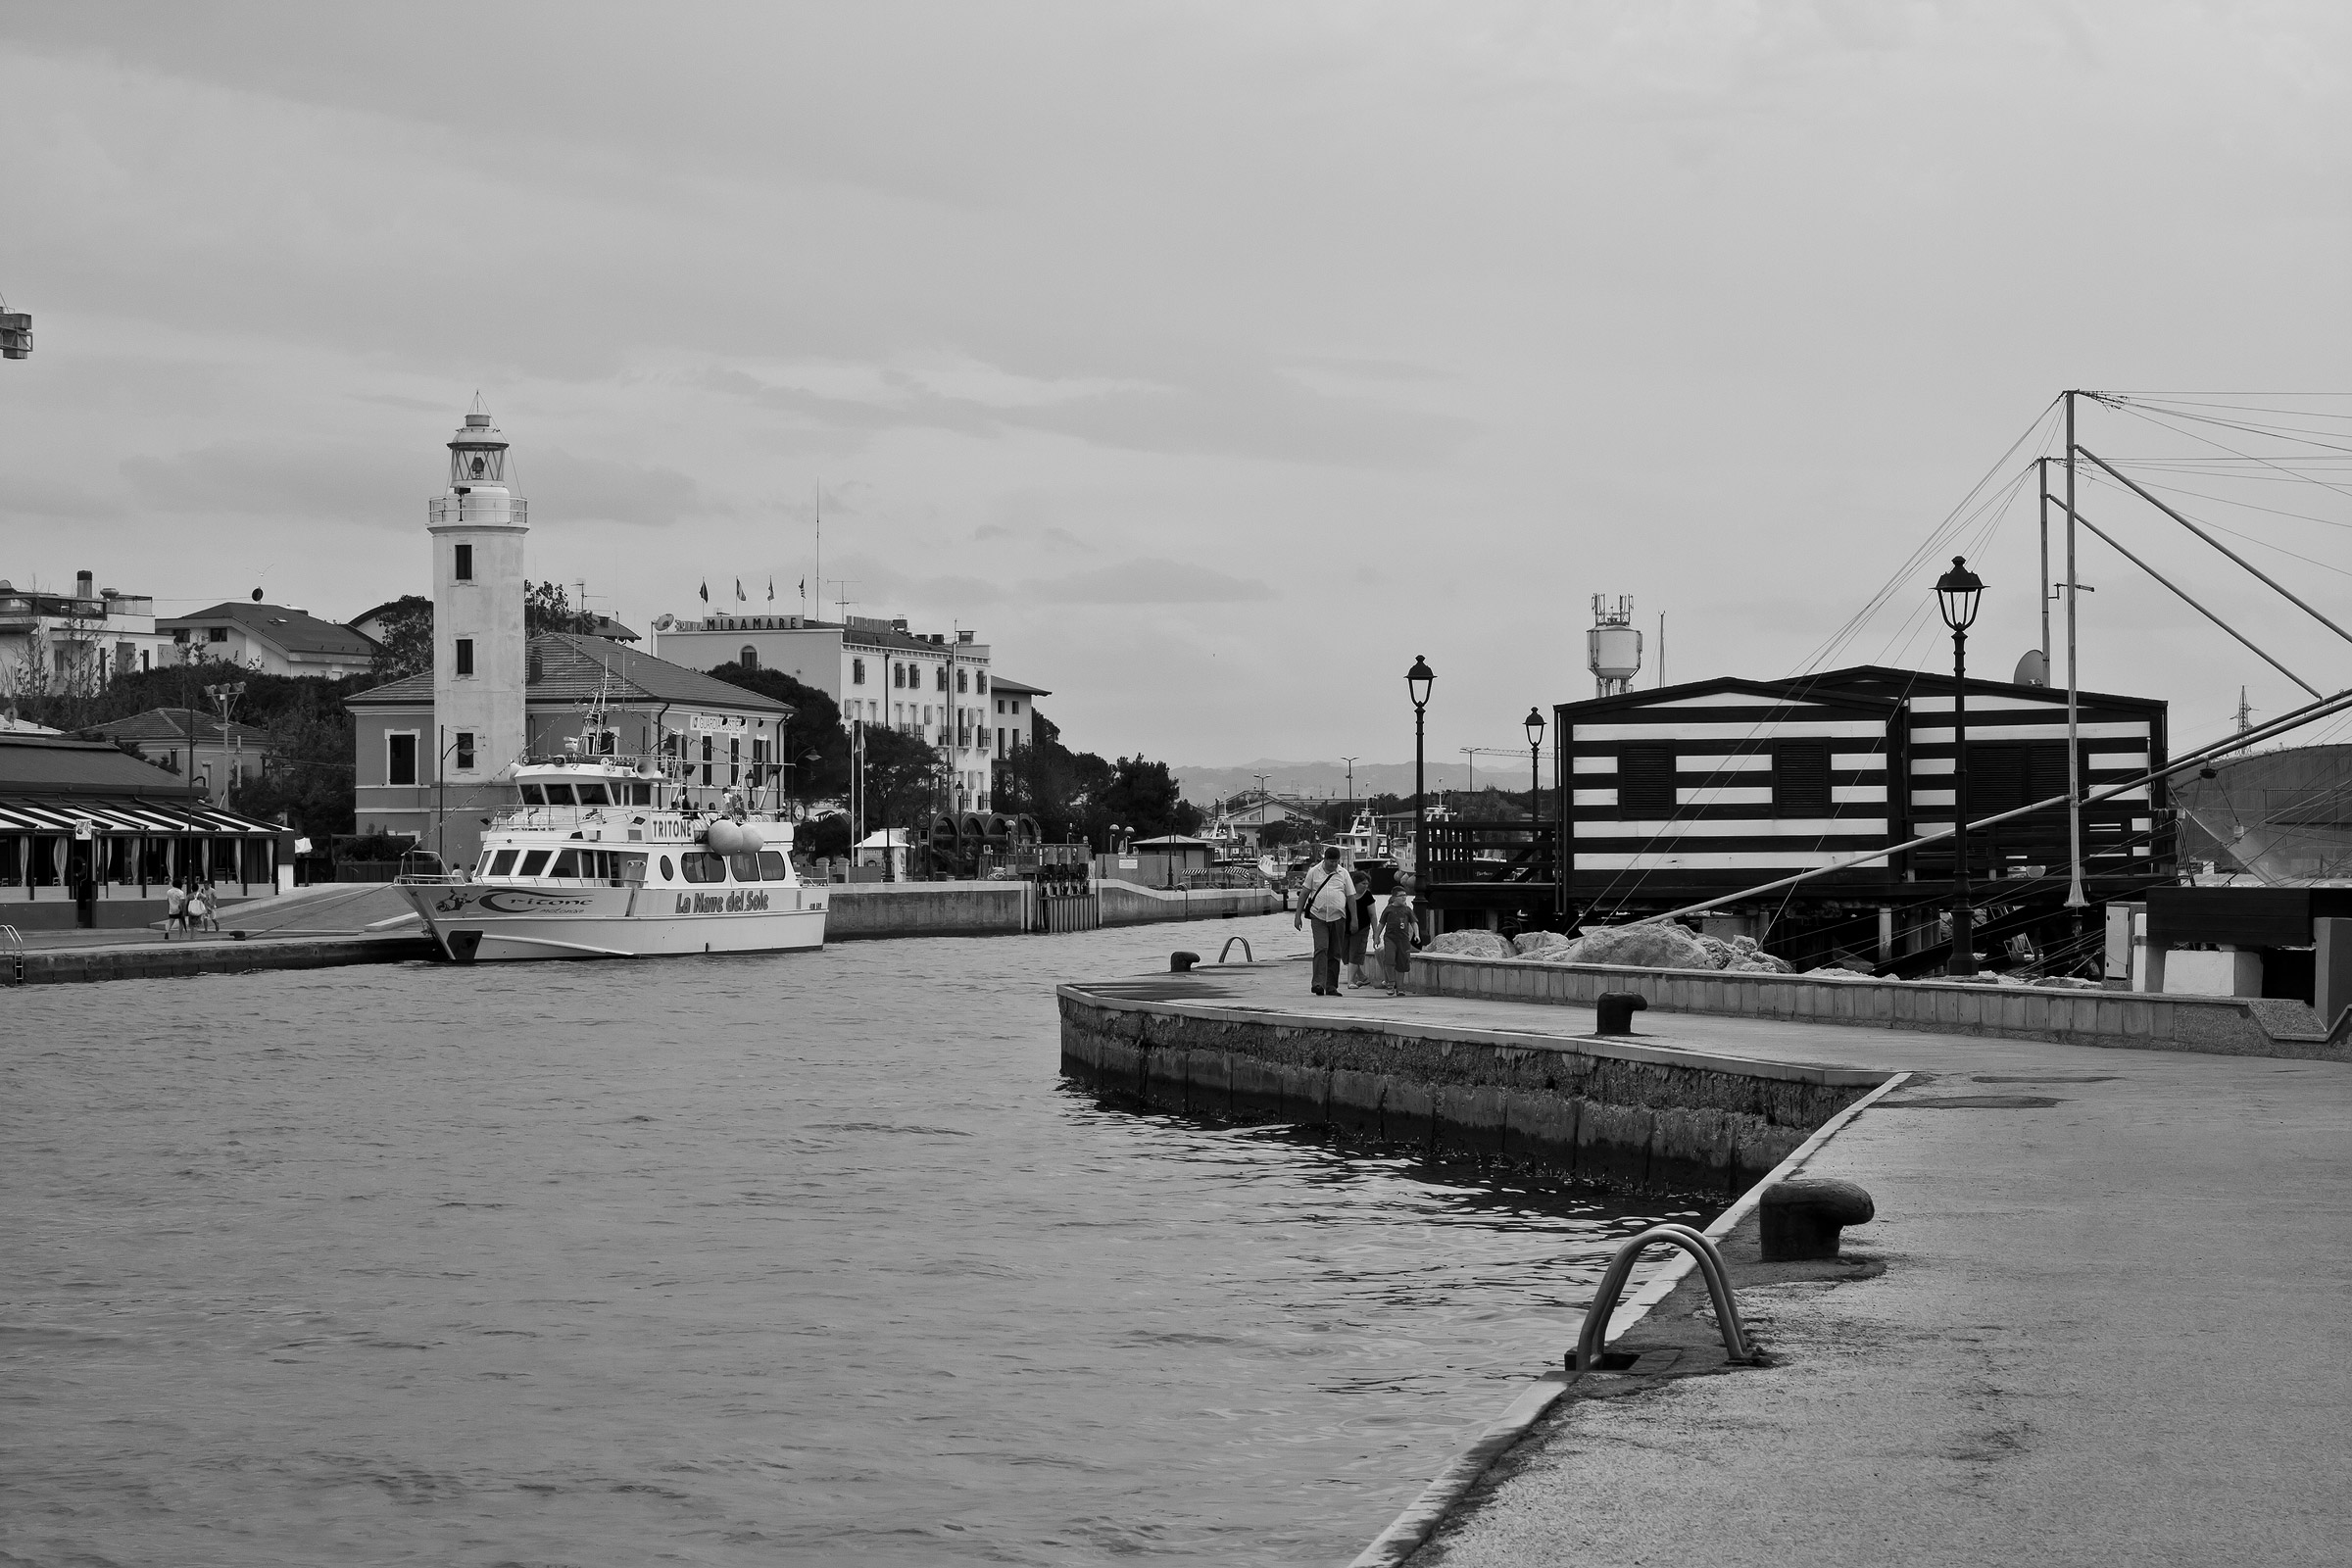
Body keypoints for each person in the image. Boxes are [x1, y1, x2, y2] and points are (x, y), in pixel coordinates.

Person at [1294, 845, 1355, 996]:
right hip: (1318, 916)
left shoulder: (1344, 874)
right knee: (1321, 948)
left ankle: (1331, 986)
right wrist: (1297, 916)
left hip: (1338, 917)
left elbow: (1351, 897)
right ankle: (1318, 984)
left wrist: (1354, 919)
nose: (1334, 865)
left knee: (1335, 952)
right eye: (1331, 862)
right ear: (1325, 859)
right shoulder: (1314, 872)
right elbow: (1304, 893)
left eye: (1336, 862)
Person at [1376, 888, 1421, 998]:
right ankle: (1390, 983)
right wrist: (1376, 936)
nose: (1404, 897)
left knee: (1402, 963)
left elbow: (1414, 923)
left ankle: (1400, 987)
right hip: (1390, 938)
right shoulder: (1388, 909)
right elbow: (1381, 924)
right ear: (1394, 897)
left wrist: (1417, 934)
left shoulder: (1407, 910)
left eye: (1405, 895)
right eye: (1401, 895)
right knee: (1389, 959)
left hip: (1403, 940)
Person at [1344, 866, 1375, 987]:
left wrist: (1375, 933)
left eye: (1367, 884)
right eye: (1363, 883)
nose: (1366, 886)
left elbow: (1373, 915)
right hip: (1345, 929)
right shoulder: (1346, 893)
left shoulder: (1367, 896)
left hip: (1362, 928)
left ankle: (1351, 981)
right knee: (1345, 955)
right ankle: (1362, 977)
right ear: (1355, 883)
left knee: (1355, 954)